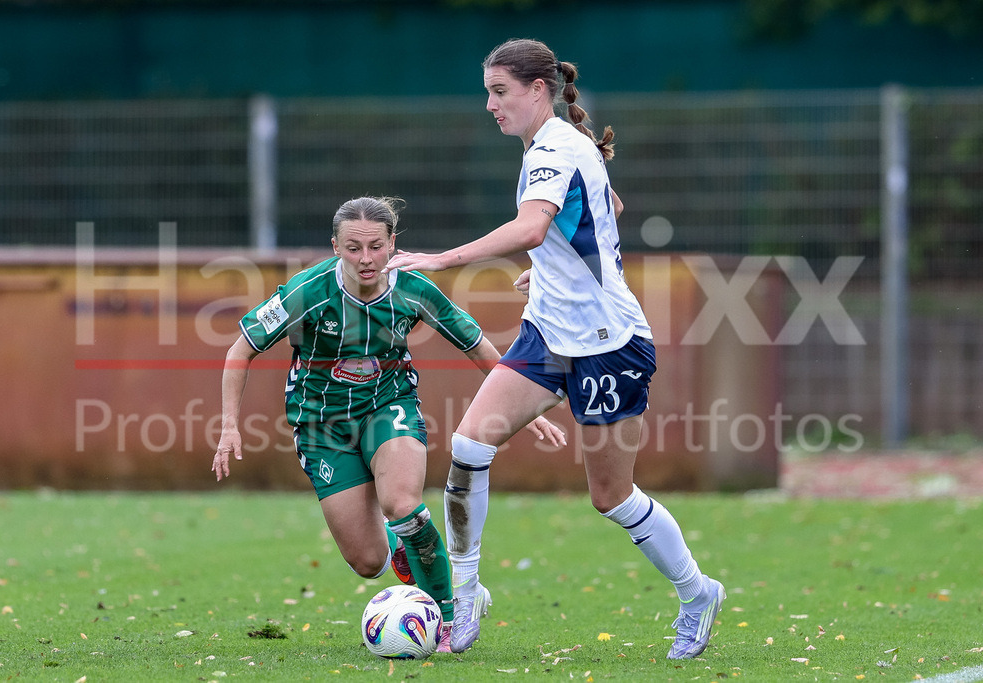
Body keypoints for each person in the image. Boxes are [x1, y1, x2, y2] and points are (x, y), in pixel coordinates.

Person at [384, 39, 725, 658]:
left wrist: (442, 259)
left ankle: (698, 592)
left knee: (611, 496)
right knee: (468, 444)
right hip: (547, 333)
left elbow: (535, 224)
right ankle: (463, 598)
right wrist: (551, 269)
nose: (489, 105)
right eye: (487, 92)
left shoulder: (557, 145)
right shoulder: (558, 146)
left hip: (608, 345)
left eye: (499, 91)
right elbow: (606, 207)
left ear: (537, 89)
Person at [211, 196, 564, 654]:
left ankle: (452, 613)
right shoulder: (308, 290)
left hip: (389, 404)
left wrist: (522, 404)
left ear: (392, 243)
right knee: (367, 561)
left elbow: (476, 344)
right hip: (320, 424)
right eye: (353, 248)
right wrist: (229, 428)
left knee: (402, 502)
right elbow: (240, 350)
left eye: (376, 246)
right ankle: (403, 551)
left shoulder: (413, 288)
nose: (366, 259)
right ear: (335, 246)